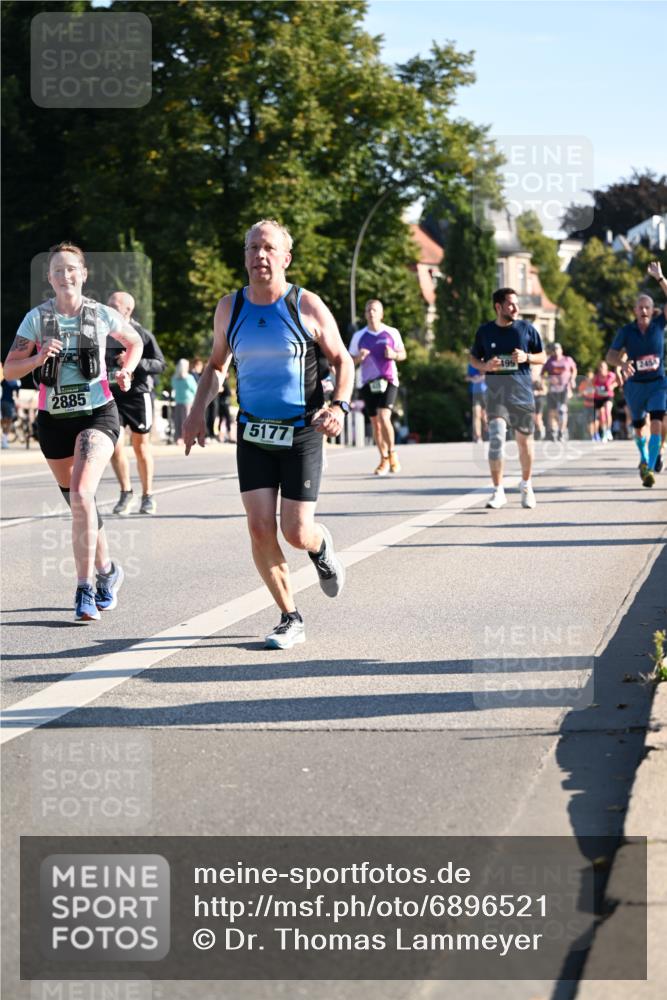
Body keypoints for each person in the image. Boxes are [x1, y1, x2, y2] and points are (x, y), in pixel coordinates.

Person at [183, 218, 354, 650]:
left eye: (268, 248)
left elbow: (342, 360)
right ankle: (289, 616)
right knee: (260, 528)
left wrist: (339, 406)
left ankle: (319, 546)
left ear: (285, 258)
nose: (260, 256)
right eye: (253, 248)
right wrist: (195, 412)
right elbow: (217, 365)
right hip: (254, 432)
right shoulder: (230, 308)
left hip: (301, 432)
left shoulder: (306, 305)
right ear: (244, 256)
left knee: (296, 532)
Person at [3, 242, 142, 621]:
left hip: (97, 413)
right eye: (58, 270)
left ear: (83, 275)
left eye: (71, 269)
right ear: (49, 278)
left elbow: (135, 342)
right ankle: (109, 571)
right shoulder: (36, 319)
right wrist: (37, 356)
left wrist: (125, 369)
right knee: (80, 504)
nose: (65, 275)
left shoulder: (100, 314)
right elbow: (10, 369)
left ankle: (84, 589)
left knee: (82, 493)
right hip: (53, 422)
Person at [469, 287, 546, 509]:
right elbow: (473, 358)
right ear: (498, 307)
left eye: (516, 304)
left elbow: (542, 357)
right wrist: (484, 366)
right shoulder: (485, 331)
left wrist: (527, 357)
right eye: (511, 304)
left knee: (525, 443)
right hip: (495, 394)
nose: (515, 308)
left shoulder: (526, 329)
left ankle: (527, 484)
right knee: (496, 439)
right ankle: (498, 490)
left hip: (521, 393)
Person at [606, 261, 667, 488]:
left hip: (658, 383)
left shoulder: (659, 325)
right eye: (640, 307)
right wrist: (622, 363)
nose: (643, 311)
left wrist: (660, 279)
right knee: (639, 427)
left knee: (658, 423)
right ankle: (644, 457)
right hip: (635, 386)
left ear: (653, 311)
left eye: (647, 308)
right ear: (634, 310)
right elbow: (610, 356)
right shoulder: (626, 331)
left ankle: (650, 468)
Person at [106, 291, 166, 516]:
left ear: (127, 310)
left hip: (138, 395)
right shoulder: (101, 333)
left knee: (141, 447)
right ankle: (125, 492)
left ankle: (148, 495)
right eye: (108, 304)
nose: (108, 308)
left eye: (113, 305)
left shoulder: (142, 334)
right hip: (112, 394)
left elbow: (160, 364)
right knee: (115, 446)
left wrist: (134, 362)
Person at [349, 299, 406, 475]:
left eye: (374, 310)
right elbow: (350, 360)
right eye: (368, 310)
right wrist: (359, 357)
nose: (371, 313)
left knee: (384, 416)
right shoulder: (359, 336)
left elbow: (403, 354)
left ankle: (392, 453)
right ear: (365, 314)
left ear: (381, 314)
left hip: (388, 380)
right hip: (367, 382)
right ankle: (383, 459)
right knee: (375, 422)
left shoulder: (391, 332)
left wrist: (394, 355)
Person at [543, 342, 578, 441]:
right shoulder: (549, 361)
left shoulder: (567, 360)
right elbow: (543, 374)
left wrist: (572, 379)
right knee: (553, 411)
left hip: (564, 389)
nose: (556, 351)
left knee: (562, 410)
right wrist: (547, 381)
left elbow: (574, 370)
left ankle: (561, 432)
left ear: (561, 350)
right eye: (554, 350)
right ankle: (553, 431)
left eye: (557, 349)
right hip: (553, 390)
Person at [171, 358, 198, 444]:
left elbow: (173, 387)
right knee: (187, 421)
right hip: (188, 401)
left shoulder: (174, 378)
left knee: (178, 421)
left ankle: (178, 438)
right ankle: (188, 438)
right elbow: (195, 389)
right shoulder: (189, 378)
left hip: (178, 401)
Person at [592, 360, 617, 443]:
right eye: (600, 367)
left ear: (606, 367)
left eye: (603, 366)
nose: (601, 368)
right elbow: (592, 386)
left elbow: (618, 382)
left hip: (608, 396)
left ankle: (609, 430)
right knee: (601, 416)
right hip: (598, 398)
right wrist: (595, 389)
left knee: (607, 411)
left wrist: (612, 386)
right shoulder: (596, 377)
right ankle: (604, 431)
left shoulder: (611, 375)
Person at [465, 362, 488, 442]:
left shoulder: (485, 362)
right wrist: (472, 379)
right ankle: (478, 436)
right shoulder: (470, 365)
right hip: (474, 392)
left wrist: (481, 376)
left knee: (484, 415)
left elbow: (487, 374)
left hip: (484, 392)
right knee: (476, 414)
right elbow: (467, 377)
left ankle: (488, 429)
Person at [1, 373, 21, 448]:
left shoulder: (4, 381)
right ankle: (4, 439)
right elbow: (17, 395)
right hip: (9, 403)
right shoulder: (16, 382)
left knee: (4, 420)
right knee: (9, 421)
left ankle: (3, 436)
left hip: (2, 401)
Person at [578, 368, 597, 440]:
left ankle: (595, 434)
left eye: (591, 377)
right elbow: (579, 394)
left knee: (594, 421)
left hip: (594, 405)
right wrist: (583, 393)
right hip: (586, 405)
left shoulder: (595, 383)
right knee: (588, 421)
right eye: (588, 377)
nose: (589, 379)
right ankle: (591, 435)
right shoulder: (583, 384)